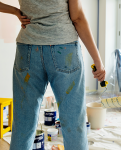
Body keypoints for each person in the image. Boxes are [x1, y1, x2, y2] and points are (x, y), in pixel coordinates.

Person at [0, 0, 106, 150]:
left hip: (27, 49)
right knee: (73, 120)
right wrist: (98, 60)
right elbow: (77, 18)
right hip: (64, 48)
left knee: (23, 122)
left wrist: (15, 11)